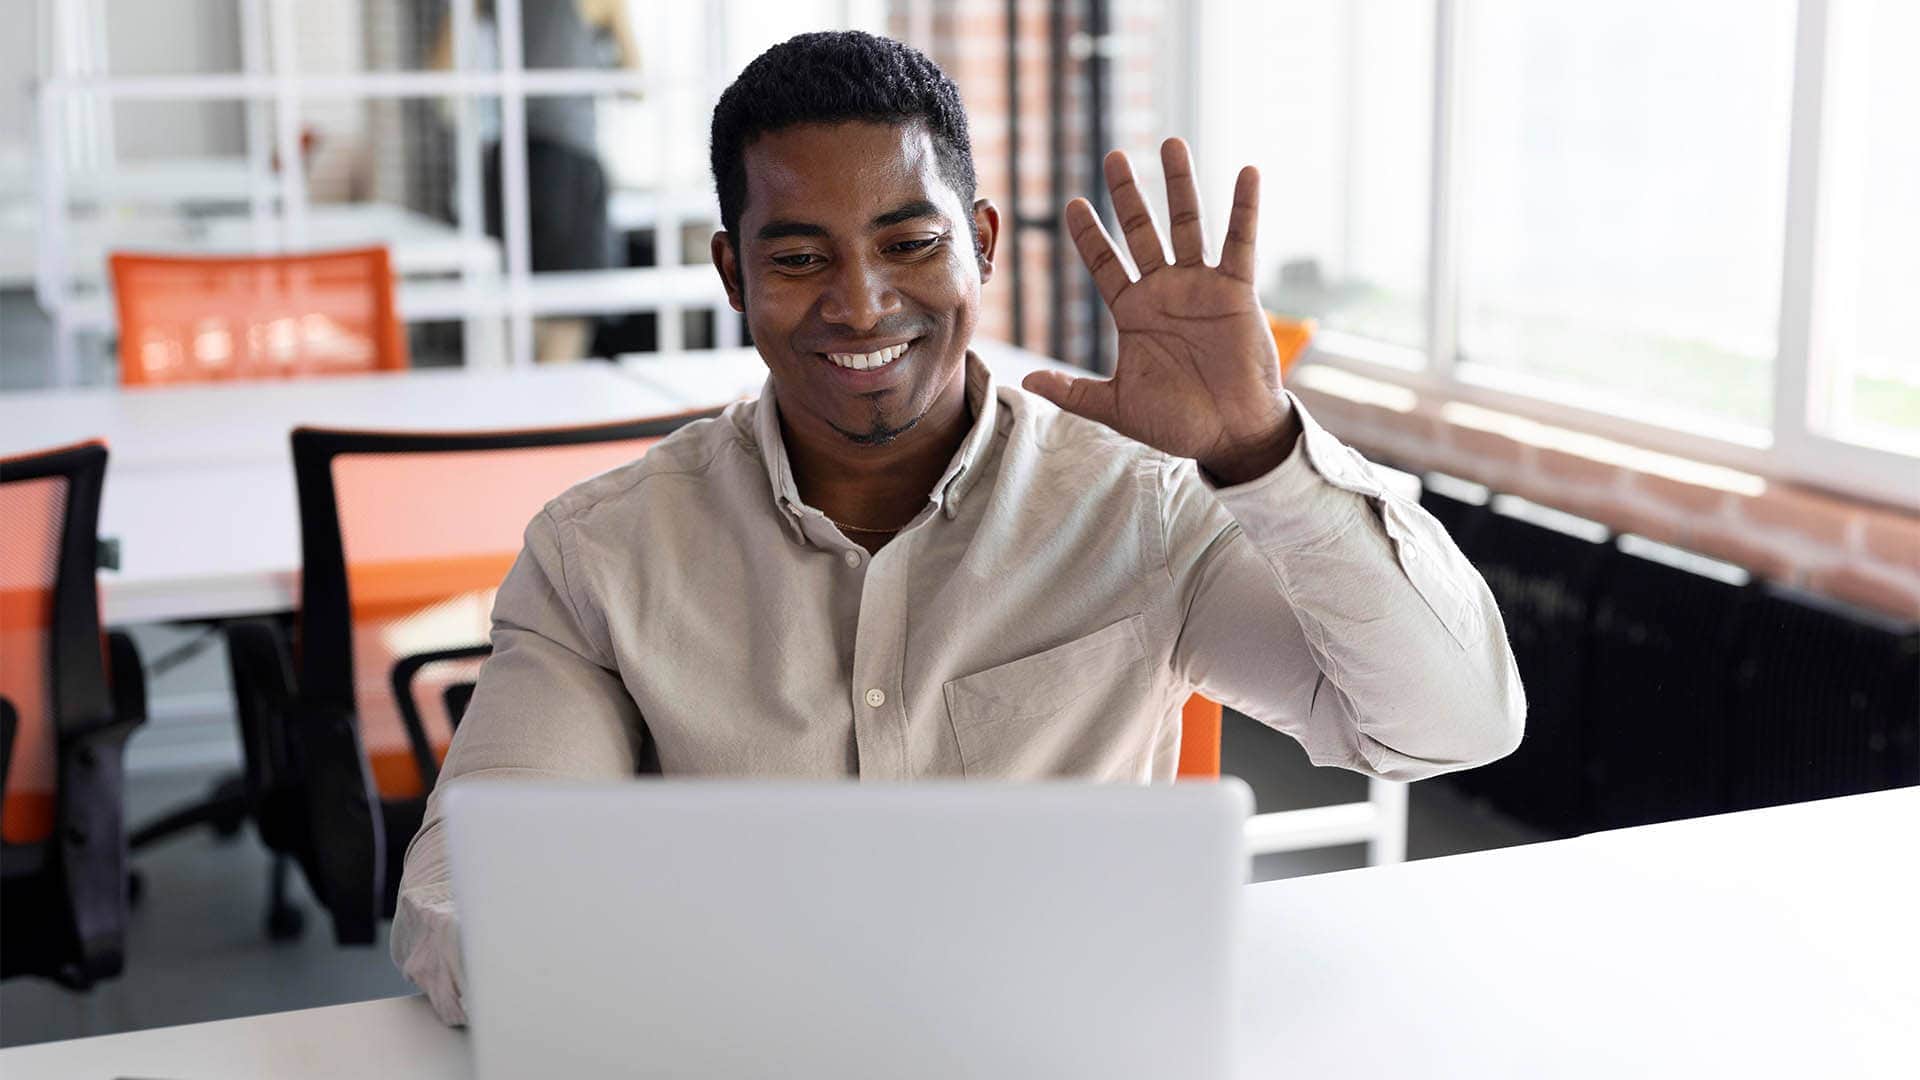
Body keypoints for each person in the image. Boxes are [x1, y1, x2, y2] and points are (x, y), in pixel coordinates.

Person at [393, 30, 1525, 1025]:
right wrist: (658, 980)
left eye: (910, 242)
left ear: (982, 241)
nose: (861, 302)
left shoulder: (1144, 502)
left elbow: (1446, 728)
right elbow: (464, 898)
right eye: (797, 258)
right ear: (732, 274)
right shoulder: (603, 556)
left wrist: (1260, 454)